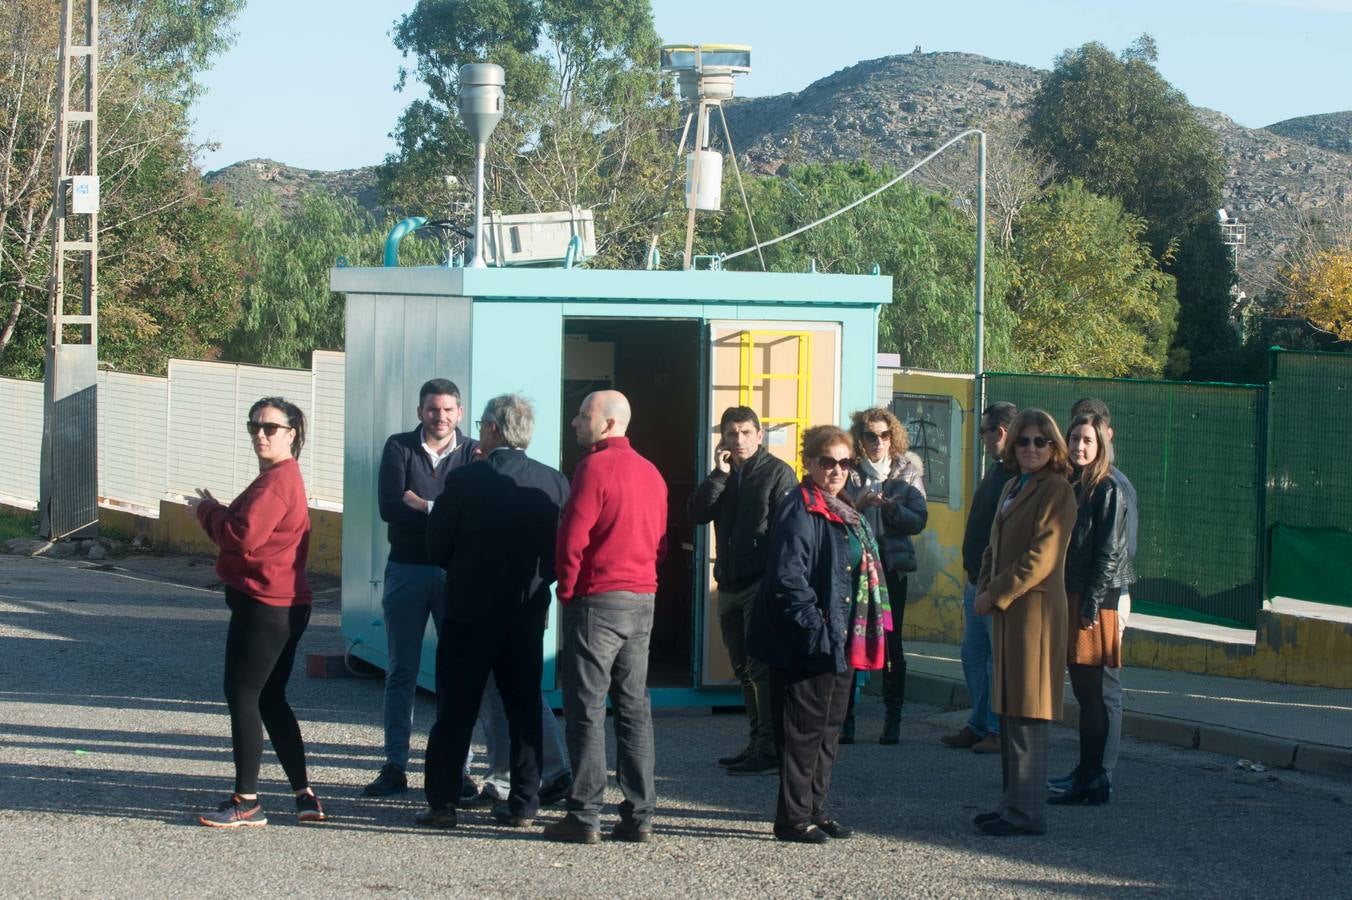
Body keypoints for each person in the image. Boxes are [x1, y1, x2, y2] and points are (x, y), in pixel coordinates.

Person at [416, 394, 572, 830]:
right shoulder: (555, 482)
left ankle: (442, 802)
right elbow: (565, 548)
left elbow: (437, 545)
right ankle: (524, 803)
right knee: (524, 706)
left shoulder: (466, 480)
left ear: (493, 430)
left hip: (468, 610)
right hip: (526, 611)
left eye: (484, 424)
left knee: (456, 709)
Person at [749, 425, 890, 845]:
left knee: (828, 729)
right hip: (806, 640)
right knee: (801, 731)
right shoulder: (800, 508)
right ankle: (792, 819)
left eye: (844, 463)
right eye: (826, 461)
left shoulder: (842, 506)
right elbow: (788, 578)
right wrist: (817, 626)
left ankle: (815, 809)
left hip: (841, 636)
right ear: (808, 463)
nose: (835, 470)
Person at [189, 397, 326, 827]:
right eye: (254, 426)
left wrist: (206, 511)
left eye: (270, 427)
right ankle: (304, 794)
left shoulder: (277, 481)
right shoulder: (283, 478)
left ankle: (246, 801)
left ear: (292, 434)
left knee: (244, 694)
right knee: (269, 697)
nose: (260, 434)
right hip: (286, 603)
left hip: (267, 605)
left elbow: (242, 535)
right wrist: (220, 510)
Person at [546, 390, 669, 845]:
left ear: (610, 423)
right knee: (634, 706)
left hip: (598, 599)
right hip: (642, 598)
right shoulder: (652, 473)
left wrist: (569, 589)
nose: (576, 422)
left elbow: (572, 537)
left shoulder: (594, 467)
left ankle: (584, 816)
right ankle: (639, 814)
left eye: (584, 415)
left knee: (586, 709)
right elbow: (658, 539)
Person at [365, 380, 479, 799]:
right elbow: (389, 506)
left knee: (458, 673)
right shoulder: (399, 447)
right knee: (401, 671)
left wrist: (426, 505)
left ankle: (459, 769)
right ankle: (395, 765)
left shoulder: (472, 453)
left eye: (448, 409)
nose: (441, 416)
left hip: (457, 575)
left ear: (460, 413)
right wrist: (447, 510)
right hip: (407, 570)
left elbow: (474, 513)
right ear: (420, 412)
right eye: (433, 409)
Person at [972, 408, 1077, 837]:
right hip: (1006, 612)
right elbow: (992, 547)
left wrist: (995, 592)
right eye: (1023, 441)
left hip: (1033, 613)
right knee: (1009, 709)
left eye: (1040, 441)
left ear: (1054, 447)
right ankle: (1010, 804)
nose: (1031, 449)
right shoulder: (1014, 485)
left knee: (1029, 712)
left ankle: (1027, 813)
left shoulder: (1057, 490)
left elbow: (1042, 557)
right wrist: (984, 586)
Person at [688, 406, 797, 775]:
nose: (739, 440)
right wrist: (718, 475)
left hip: (759, 583)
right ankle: (755, 742)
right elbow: (697, 512)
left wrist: (777, 582)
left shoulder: (778, 473)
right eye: (732, 434)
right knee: (742, 668)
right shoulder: (724, 473)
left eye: (746, 432)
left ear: (759, 434)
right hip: (729, 581)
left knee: (760, 667)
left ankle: (769, 748)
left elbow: (788, 532)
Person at [1050, 398, 1138, 796]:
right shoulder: (1073, 483)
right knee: (1084, 694)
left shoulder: (1108, 488)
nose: (1080, 446)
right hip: (1073, 594)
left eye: (1087, 440)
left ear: (1101, 443)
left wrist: (1089, 605)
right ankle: (1085, 773)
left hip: (1094, 601)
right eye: (1074, 438)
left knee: (1093, 694)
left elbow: (1108, 553)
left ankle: (1094, 778)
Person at [842, 407, 928, 745]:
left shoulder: (907, 470)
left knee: (892, 643)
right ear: (860, 439)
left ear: (893, 436)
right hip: (857, 567)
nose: (877, 442)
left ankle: (893, 720)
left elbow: (919, 520)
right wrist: (860, 506)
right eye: (870, 436)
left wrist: (892, 507)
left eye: (883, 435)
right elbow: (835, 514)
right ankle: (845, 720)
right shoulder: (848, 470)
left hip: (891, 568)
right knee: (851, 639)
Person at [942, 401, 1017, 755]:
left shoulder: (1019, 476)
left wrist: (994, 582)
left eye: (985, 431)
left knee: (995, 661)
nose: (982, 438)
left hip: (996, 584)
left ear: (999, 432)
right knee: (973, 655)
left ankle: (997, 729)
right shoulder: (997, 469)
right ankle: (979, 722)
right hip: (975, 579)